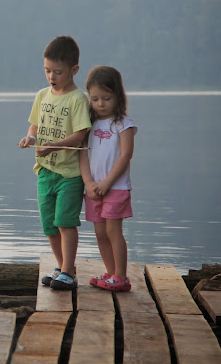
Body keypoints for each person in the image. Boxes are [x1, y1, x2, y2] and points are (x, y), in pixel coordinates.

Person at [19, 36, 92, 291]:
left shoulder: (77, 99)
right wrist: (30, 137)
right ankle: (62, 267)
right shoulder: (42, 96)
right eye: (48, 70)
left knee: (65, 222)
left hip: (69, 174)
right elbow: (35, 124)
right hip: (45, 172)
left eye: (58, 72)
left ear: (73, 70)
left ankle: (70, 272)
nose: (52, 76)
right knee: (49, 225)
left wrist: (53, 146)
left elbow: (80, 134)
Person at [80, 66, 136, 292]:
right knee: (100, 233)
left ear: (118, 97)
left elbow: (125, 155)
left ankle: (121, 276)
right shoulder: (88, 125)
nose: (100, 103)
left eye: (106, 98)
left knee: (113, 231)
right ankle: (111, 272)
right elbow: (82, 153)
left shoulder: (124, 124)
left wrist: (106, 183)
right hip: (93, 189)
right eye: (95, 99)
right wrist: (89, 183)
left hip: (116, 187)